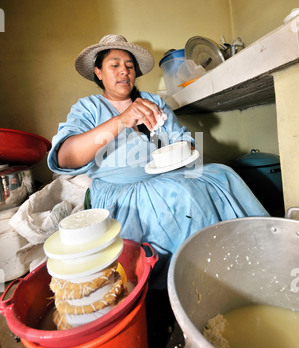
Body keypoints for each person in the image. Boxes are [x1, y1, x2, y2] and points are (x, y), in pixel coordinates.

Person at [48, 34, 268, 287]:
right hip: (121, 189)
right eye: (115, 65)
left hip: (166, 175)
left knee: (222, 174)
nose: (124, 72)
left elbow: (182, 138)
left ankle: (250, 257)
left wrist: (185, 147)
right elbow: (66, 156)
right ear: (99, 73)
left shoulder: (153, 102)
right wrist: (121, 120)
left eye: (129, 66)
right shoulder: (88, 108)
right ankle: (192, 280)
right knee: (177, 193)